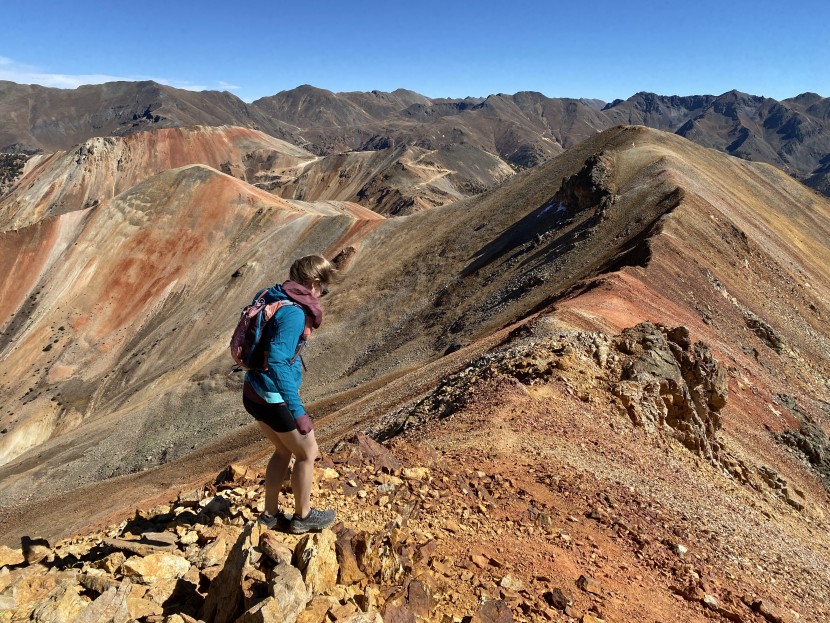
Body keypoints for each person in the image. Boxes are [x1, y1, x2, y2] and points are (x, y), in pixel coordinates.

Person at [242, 254, 338, 533]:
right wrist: (297, 411)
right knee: (308, 452)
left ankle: (270, 515)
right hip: (272, 397)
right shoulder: (294, 313)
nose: (322, 293)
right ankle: (303, 517)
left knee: (283, 450)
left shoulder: (273, 296)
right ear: (313, 282)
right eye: (322, 287)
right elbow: (278, 361)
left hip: (253, 389)